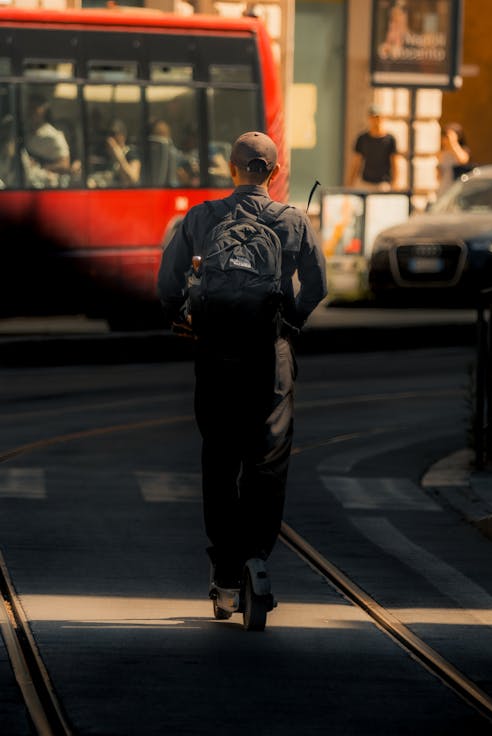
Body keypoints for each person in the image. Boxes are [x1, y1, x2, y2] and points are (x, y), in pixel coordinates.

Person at [157, 131, 327, 591]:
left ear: (230, 169)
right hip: (270, 357)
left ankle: (225, 564)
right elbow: (317, 285)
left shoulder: (200, 217)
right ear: (274, 173)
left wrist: (182, 317)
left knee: (219, 456)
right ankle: (257, 556)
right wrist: (289, 321)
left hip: (215, 353)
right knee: (266, 460)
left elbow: (168, 284)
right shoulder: (293, 221)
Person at [348, 104, 400, 191]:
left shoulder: (390, 140)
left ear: (382, 118)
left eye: (378, 117)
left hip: (383, 185)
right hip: (365, 183)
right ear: (369, 118)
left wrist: (395, 184)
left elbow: (394, 164)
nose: (376, 120)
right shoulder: (362, 139)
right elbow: (356, 163)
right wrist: (350, 185)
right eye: (373, 117)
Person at [436, 122, 471, 197]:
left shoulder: (463, 150)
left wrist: (453, 142)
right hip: (443, 188)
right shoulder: (441, 153)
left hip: (456, 188)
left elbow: (463, 160)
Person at [104, 119, 141, 186]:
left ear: (122, 136)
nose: (110, 139)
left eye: (113, 134)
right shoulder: (107, 156)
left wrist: (119, 155)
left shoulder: (131, 153)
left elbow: (134, 178)